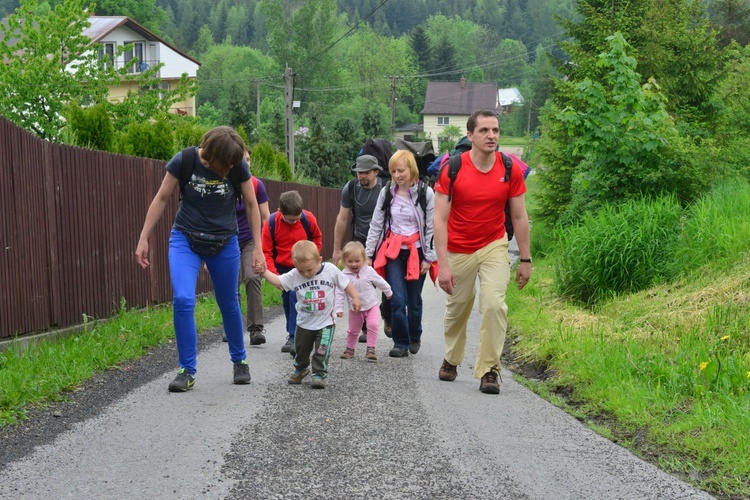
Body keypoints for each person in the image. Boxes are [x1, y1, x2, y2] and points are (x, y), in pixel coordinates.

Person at [135, 126, 265, 393]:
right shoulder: (184, 160)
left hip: (224, 241)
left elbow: (252, 206)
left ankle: (239, 360)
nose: (230, 167)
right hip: (186, 238)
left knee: (228, 301)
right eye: (226, 164)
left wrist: (259, 248)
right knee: (183, 299)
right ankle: (187, 370)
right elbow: (161, 198)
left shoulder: (237, 164)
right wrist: (143, 237)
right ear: (214, 155)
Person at [433, 109, 532, 395]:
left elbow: (520, 217)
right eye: (484, 131)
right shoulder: (452, 168)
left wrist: (525, 259)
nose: (491, 136)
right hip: (458, 248)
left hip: (493, 244)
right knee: (457, 309)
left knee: (493, 304)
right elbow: (439, 219)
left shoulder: (509, 168)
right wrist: (443, 265)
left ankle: (489, 369)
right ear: (470, 135)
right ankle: (452, 358)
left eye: (496, 130)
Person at [366, 150, 436, 358]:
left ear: (412, 170)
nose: (397, 175)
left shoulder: (426, 193)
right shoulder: (387, 192)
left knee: (414, 300)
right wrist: (369, 254)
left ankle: (415, 335)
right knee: (396, 298)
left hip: (418, 252)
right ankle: (401, 342)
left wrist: (429, 257)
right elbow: (377, 223)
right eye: (394, 171)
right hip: (394, 252)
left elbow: (432, 227)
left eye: (401, 170)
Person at [262, 240, 361, 389]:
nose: (306, 274)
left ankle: (319, 373)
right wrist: (263, 271)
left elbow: (345, 283)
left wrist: (355, 297)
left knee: (322, 349)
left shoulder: (330, 270)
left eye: (309, 269)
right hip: (304, 323)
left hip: (326, 323)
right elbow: (278, 281)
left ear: (319, 260)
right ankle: (301, 369)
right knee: (300, 350)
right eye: (301, 270)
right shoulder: (295, 275)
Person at [332, 154, 391, 341]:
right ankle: (365, 326)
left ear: (376, 172)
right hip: (360, 243)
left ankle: (386, 316)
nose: (361, 176)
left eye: (365, 172)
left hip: (384, 242)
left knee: (383, 281)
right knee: (360, 282)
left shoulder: (386, 188)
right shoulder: (351, 188)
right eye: (359, 173)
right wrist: (337, 249)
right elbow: (342, 218)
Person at [262, 190, 323, 355]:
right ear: (280, 212)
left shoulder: (308, 219)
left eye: (297, 218)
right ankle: (294, 333)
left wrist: (311, 259)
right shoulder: (271, 223)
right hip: (282, 268)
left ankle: (294, 336)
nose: (295, 221)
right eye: (290, 219)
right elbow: (266, 252)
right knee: (287, 299)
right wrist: (275, 277)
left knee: (295, 297)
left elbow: (317, 238)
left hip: (302, 267)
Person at [232, 149, 271, 346]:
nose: (245, 163)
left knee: (253, 276)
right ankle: (233, 328)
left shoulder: (256, 185)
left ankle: (256, 329)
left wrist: (261, 247)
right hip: (227, 239)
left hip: (249, 239)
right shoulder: (225, 183)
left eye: (248, 159)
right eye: (241, 160)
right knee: (230, 284)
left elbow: (265, 217)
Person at [335, 241, 392, 362]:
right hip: (355, 309)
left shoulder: (368, 271)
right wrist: (338, 308)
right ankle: (350, 349)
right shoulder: (343, 275)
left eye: (357, 261)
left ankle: (371, 349)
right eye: (350, 261)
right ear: (344, 261)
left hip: (371, 305)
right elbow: (339, 292)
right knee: (353, 330)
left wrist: (388, 291)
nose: (354, 264)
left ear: (364, 260)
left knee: (373, 325)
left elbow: (379, 281)